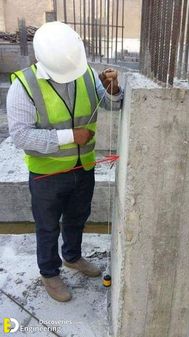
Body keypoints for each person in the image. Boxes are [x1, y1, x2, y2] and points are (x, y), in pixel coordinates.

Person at [7, 21, 123, 302]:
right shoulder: (24, 86)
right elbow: (21, 136)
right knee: (47, 227)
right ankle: (49, 273)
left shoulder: (82, 72)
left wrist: (113, 88)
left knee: (76, 218)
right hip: (47, 175)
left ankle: (72, 256)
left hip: (82, 170)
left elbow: (111, 104)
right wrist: (70, 136)